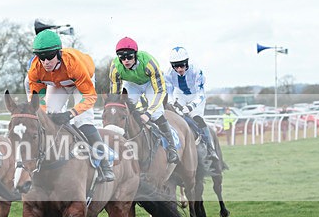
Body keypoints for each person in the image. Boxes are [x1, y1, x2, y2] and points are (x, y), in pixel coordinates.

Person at [28, 30, 115, 181]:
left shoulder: (73, 64)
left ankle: (105, 164)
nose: (46, 62)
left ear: (58, 53)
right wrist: (45, 116)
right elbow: (39, 100)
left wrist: (70, 114)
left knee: (82, 121)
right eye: (41, 57)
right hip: (58, 83)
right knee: (48, 117)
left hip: (80, 82)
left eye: (49, 56)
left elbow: (90, 97)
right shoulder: (35, 69)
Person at [109, 36, 179, 164]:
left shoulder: (149, 63)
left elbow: (160, 91)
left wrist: (148, 113)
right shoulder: (115, 67)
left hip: (150, 84)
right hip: (132, 84)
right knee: (124, 109)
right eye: (122, 57)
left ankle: (171, 147)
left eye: (129, 57)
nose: (126, 60)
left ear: (135, 54)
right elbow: (115, 95)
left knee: (157, 113)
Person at [165, 46, 219, 167]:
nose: (179, 69)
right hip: (180, 95)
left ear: (187, 63)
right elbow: (169, 93)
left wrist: (190, 107)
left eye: (182, 65)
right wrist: (174, 103)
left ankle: (210, 148)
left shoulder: (196, 71)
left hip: (196, 96)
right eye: (175, 66)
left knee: (197, 118)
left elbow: (200, 94)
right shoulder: (168, 73)